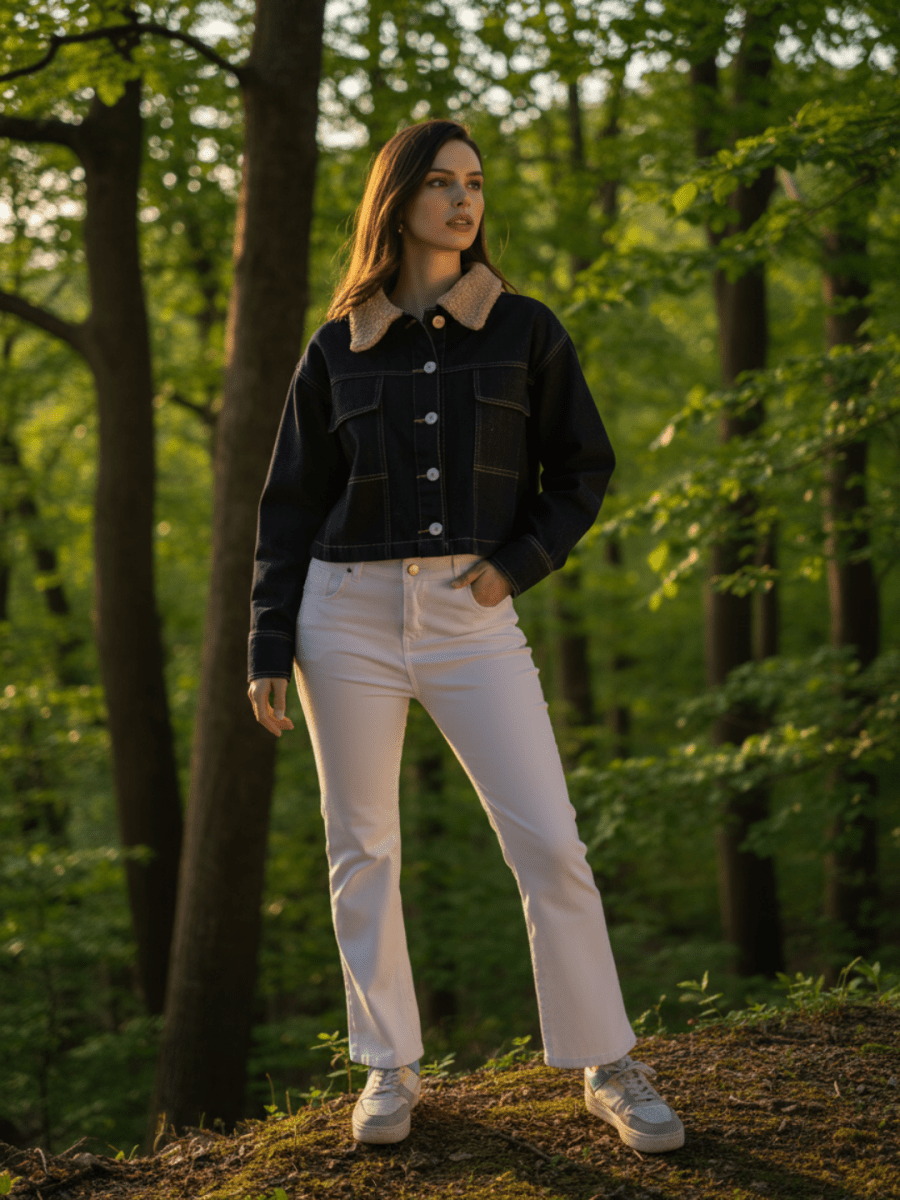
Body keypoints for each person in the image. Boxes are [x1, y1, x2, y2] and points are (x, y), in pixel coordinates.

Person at [247, 118, 683, 1154]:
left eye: (476, 183)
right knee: (364, 848)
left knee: (550, 841)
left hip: (471, 614)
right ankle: (389, 1068)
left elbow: (584, 470)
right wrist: (268, 645)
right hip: (340, 614)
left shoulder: (524, 329)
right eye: (441, 182)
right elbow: (287, 506)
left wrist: (516, 564)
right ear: (397, 201)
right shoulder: (337, 344)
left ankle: (605, 1060)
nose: (464, 200)